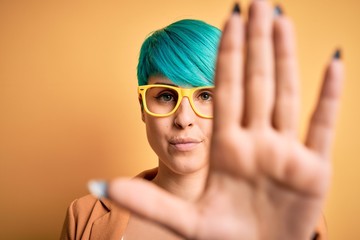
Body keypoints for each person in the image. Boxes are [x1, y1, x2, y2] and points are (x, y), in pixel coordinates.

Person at [61, 1, 344, 240]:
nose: (184, 119)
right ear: (143, 107)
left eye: (207, 96)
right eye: (166, 96)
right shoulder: (84, 217)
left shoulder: (287, 213)